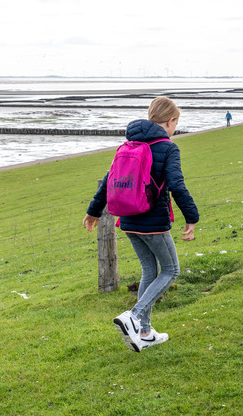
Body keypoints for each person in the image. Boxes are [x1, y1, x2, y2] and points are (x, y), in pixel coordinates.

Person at [85, 97, 199, 352]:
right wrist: (192, 217)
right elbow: (177, 185)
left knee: (150, 270)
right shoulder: (168, 147)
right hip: (153, 221)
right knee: (171, 270)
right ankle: (133, 317)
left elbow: (108, 180)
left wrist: (93, 212)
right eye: (175, 123)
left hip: (127, 220)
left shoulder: (128, 144)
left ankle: (145, 332)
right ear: (170, 121)